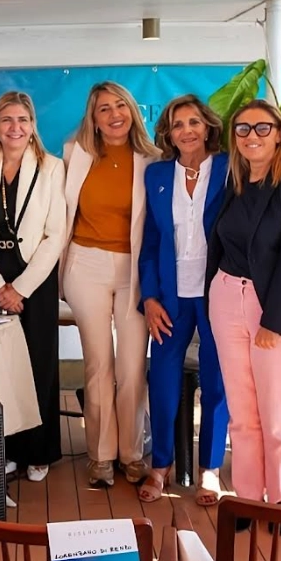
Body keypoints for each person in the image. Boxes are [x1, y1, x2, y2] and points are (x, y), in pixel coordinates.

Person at [205, 100, 281, 523]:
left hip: (273, 308)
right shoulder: (235, 181)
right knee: (243, 412)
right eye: (242, 129)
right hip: (225, 299)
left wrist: (274, 319)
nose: (252, 136)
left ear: (279, 133)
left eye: (261, 127)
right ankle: (250, 500)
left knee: (277, 415)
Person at [0, 91, 66, 482]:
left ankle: (38, 451)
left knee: (38, 365)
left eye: (22, 119)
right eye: (6, 120)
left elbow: (55, 235)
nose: (15, 127)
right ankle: (2, 449)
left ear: (33, 124)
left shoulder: (52, 167)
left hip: (34, 278)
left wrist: (19, 288)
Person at [62, 81, 159, 487]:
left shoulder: (153, 158)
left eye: (121, 105)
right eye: (104, 108)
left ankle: (132, 453)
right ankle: (100, 455)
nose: (114, 114)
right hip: (86, 265)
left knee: (133, 366)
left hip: (134, 270)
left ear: (133, 111)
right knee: (99, 363)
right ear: (93, 118)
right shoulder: (74, 154)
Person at [136, 95, 230, 505]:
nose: (187, 130)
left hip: (218, 295)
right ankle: (161, 466)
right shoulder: (157, 174)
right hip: (171, 297)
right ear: (168, 133)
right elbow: (151, 240)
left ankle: (210, 470)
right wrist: (149, 298)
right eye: (178, 124)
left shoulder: (229, 168)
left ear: (207, 126)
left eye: (194, 122)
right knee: (162, 384)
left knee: (216, 384)